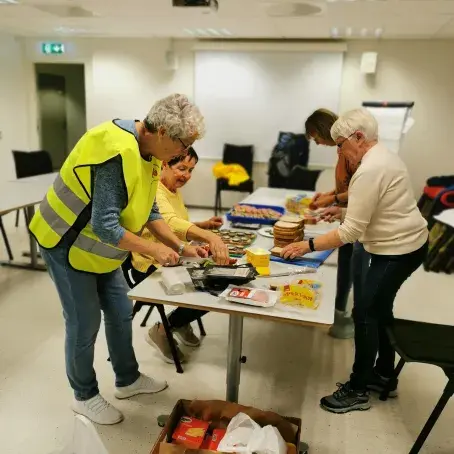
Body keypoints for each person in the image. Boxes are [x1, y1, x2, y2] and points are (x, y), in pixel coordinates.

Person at [29, 94, 208, 425]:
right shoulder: (117, 152)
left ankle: (127, 380)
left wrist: (181, 248)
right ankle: (84, 396)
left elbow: (150, 210)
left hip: (100, 249)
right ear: (164, 132)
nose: (183, 155)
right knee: (84, 323)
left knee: (120, 310)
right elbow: (106, 225)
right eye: (183, 146)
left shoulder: (150, 152)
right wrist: (153, 249)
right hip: (66, 242)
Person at [283, 108, 428, 414]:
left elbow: (350, 232)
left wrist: (305, 245)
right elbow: (373, 208)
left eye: (340, 145)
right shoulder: (382, 157)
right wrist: (340, 210)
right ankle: (384, 374)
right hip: (407, 245)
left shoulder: (369, 169)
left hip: (397, 250)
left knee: (364, 312)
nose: (338, 151)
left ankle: (358, 387)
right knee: (379, 307)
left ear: (359, 138)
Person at [129, 146, 230, 363]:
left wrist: (202, 225)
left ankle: (179, 322)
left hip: (175, 258)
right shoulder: (155, 189)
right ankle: (164, 330)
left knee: (222, 279)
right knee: (214, 285)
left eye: (191, 170)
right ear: (165, 164)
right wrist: (209, 237)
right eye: (181, 168)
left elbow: (175, 223)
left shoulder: (173, 190)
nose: (186, 175)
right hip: (152, 264)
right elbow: (170, 222)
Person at [305, 109, 370, 339]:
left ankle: (356, 321)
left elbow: (357, 189)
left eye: (315, 138)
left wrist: (332, 199)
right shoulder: (342, 151)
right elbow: (346, 185)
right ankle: (340, 310)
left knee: (357, 269)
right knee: (346, 265)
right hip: (348, 214)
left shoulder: (350, 151)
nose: (317, 143)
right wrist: (329, 194)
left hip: (359, 220)